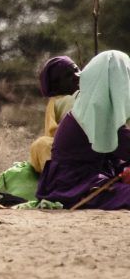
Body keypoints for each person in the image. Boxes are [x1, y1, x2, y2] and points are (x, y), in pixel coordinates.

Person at [35, 49, 130, 210]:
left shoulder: (94, 108)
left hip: (86, 181)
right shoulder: (94, 112)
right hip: (75, 187)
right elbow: (125, 146)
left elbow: (117, 152)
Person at [31, 55, 81, 175]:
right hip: (70, 154)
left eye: (77, 70)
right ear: (57, 84)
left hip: (85, 154)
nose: (77, 76)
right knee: (42, 144)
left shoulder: (81, 96)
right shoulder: (64, 101)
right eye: (68, 75)